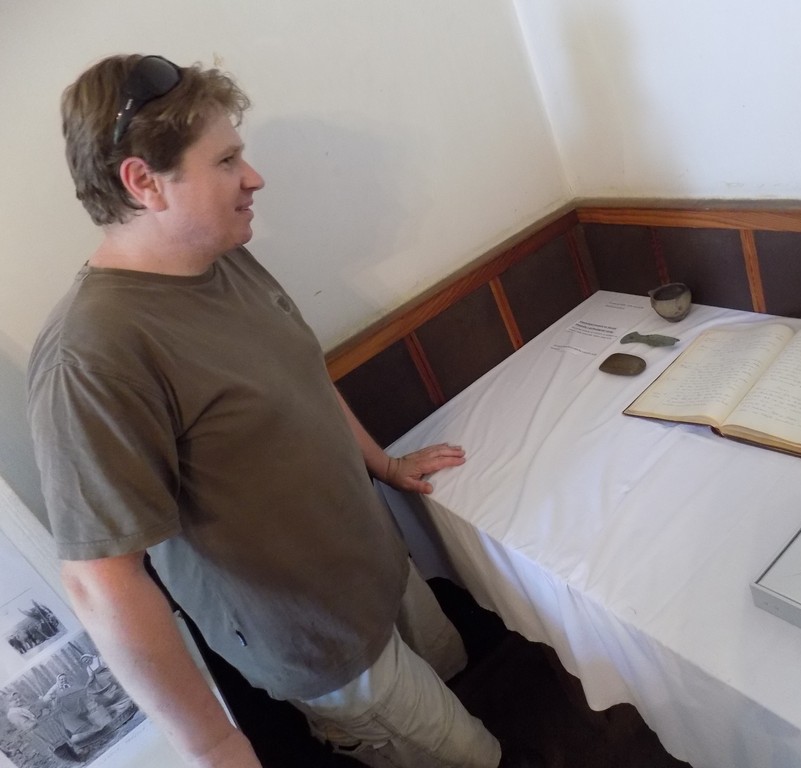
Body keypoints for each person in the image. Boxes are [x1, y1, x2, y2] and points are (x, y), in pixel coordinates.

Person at [28, 54, 539, 768]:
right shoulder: (91, 356)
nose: (254, 177)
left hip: (379, 565)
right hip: (318, 642)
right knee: (474, 758)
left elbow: (304, 377)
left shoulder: (222, 255)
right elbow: (100, 580)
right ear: (144, 182)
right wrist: (214, 745)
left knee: (462, 682)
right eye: (226, 160)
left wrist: (385, 465)